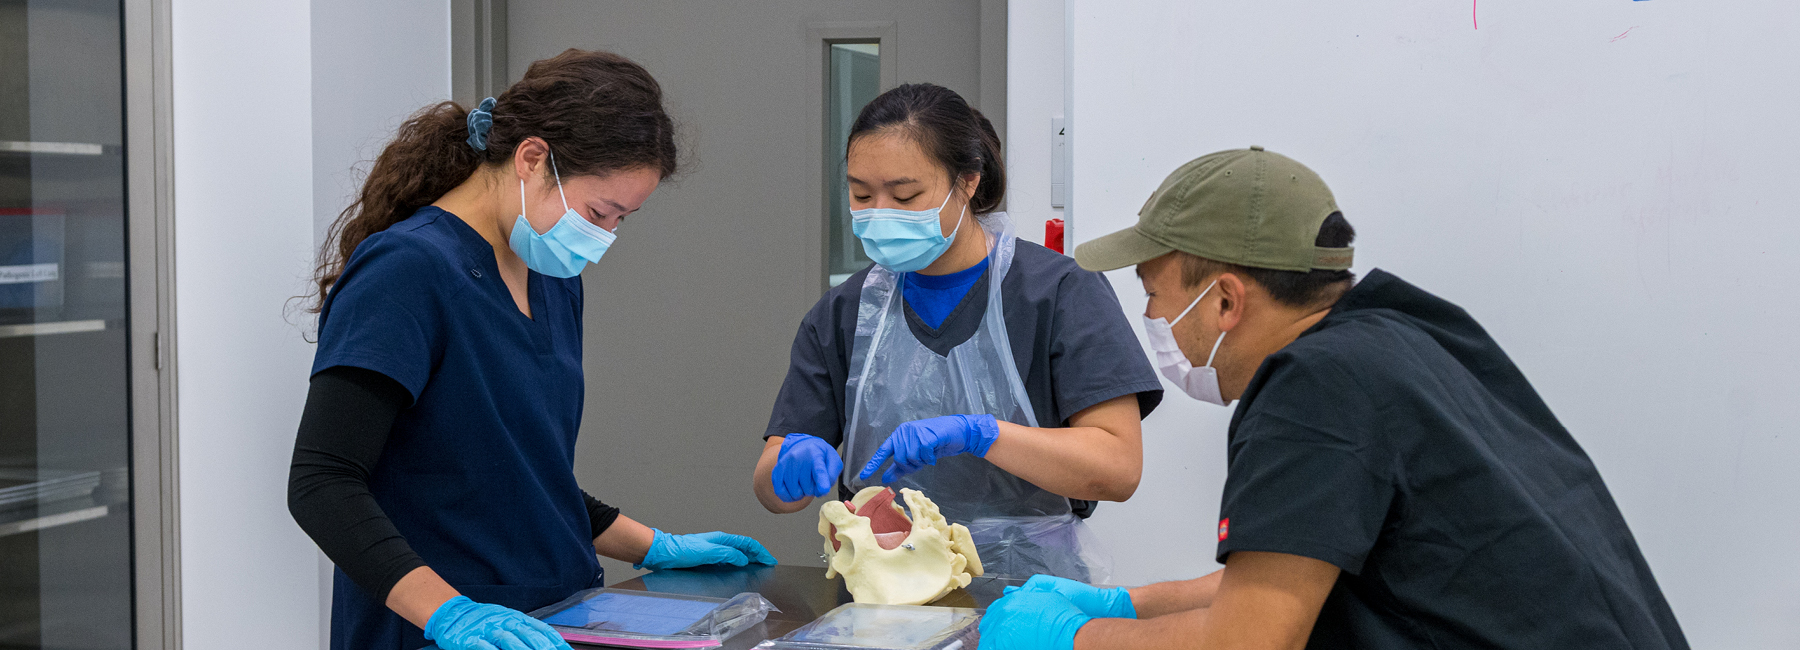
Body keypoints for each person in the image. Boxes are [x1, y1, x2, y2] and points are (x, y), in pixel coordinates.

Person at [978, 147, 1689, 649]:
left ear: (1224, 298)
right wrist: (1123, 604)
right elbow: (1285, 579)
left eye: (1154, 293)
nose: (1154, 320)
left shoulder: (1312, 390)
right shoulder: (1400, 335)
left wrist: (1073, 640)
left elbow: (1249, 641)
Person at [288, 50, 776, 650]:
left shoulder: (550, 274)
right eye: (600, 212)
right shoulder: (408, 272)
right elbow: (323, 482)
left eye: (624, 219)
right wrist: (451, 614)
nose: (605, 236)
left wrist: (653, 545)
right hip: (435, 631)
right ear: (531, 158)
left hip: (554, 618)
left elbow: (512, 471)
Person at [750, 83, 1163, 581]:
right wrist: (787, 468)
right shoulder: (846, 312)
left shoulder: (1059, 293)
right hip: (884, 593)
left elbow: (1117, 469)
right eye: (861, 194)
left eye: (906, 194)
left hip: (1030, 591)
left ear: (967, 182)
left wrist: (981, 434)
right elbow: (772, 485)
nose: (880, 211)